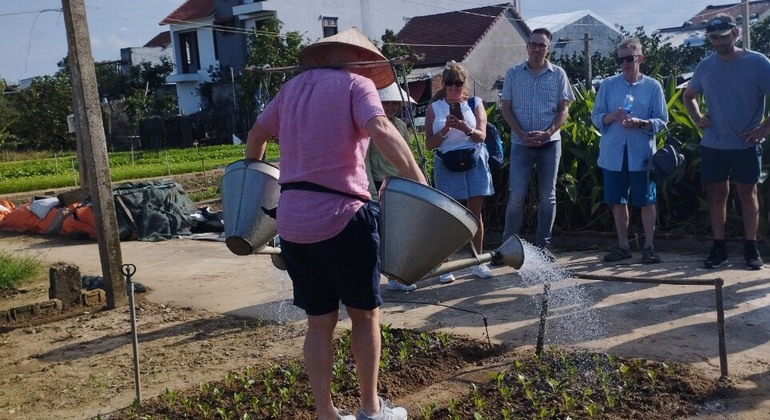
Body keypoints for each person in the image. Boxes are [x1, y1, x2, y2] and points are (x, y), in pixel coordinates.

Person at [245, 27, 427, 420]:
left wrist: (255, 179)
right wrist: (420, 181)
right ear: (360, 59)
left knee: (319, 323)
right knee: (364, 315)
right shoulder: (357, 84)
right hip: (343, 216)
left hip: (292, 221)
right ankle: (370, 409)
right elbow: (380, 129)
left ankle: (325, 413)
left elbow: (256, 137)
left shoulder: (290, 90)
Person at [683, 13, 770, 271]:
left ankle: (751, 248)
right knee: (717, 194)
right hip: (714, 144)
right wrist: (698, 118)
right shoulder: (705, 66)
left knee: (747, 193)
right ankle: (718, 247)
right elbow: (689, 96)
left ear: (735, 33)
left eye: (722, 37)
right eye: (713, 38)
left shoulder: (758, 63)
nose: (718, 42)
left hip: (745, 143)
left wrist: (764, 128)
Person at [591, 37, 668, 264]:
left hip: (642, 154)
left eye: (629, 58)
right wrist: (611, 116)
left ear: (640, 58)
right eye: (620, 59)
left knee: (646, 201)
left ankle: (649, 247)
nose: (624, 63)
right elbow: (595, 118)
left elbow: (663, 120)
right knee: (618, 201)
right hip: (613, 154)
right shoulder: (607, 85)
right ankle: (623, 246)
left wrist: (641, 123)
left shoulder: (653, 86)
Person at [499, 28, 574, 262]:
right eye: (533, 44)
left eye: (542, 45)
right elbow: (505, 108)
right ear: (527, 46)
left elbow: (564, 110)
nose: (537, 49)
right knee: (516, 196)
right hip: (521, 144)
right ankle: (506, 247)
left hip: (549, 144)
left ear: (548, 48)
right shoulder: (513, 74)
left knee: (548, 196)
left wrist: (548, 132)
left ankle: (544, 247)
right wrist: (521, 134)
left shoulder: (558, 74)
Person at [425, 61, 494, 283]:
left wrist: (465, 127)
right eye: (450, 84)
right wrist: (445, 129)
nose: (454, 88)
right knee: (449, 216)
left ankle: (478, 261)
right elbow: (429, 144)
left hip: (473, 159)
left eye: (458, 84)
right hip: (447, 162)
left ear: (464, 84)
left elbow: (481, 136)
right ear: (443, 84)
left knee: (475, 214)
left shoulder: (474, 103)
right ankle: (446, 266)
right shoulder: (434, 108)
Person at [364, 82, 420, 292]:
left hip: (398, 183)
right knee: (378, 233)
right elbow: (365, 159)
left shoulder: (400, 126)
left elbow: (406, 156)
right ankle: (373, 278)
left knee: (397, 232)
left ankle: (396, 276)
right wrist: (370, 190)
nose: (392, 107)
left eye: (395, 103)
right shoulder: (371, 127)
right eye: (387, 102)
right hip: (378, 183)